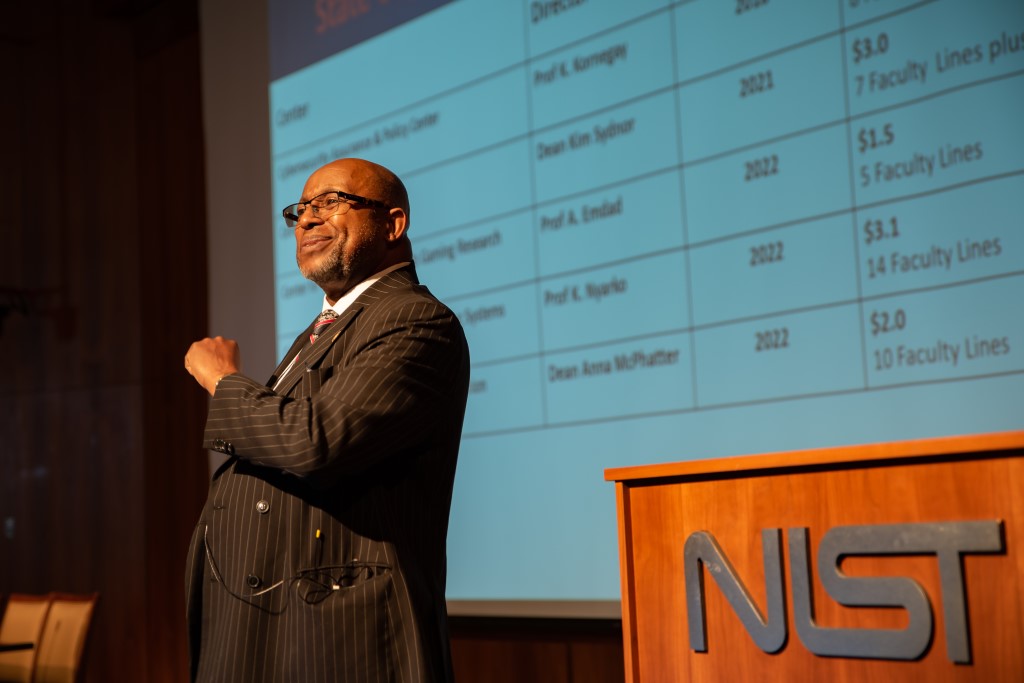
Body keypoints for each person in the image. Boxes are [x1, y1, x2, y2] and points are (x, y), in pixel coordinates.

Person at [183, 158, 470, 682]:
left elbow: (314, 441)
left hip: (336, 636)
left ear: (394, 223)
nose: (308, 219)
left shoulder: (415, 318)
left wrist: (224, 380)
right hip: (264, 624)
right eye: (301, 210)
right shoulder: (326, 327)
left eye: (331, 201)